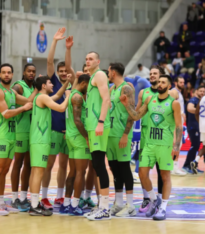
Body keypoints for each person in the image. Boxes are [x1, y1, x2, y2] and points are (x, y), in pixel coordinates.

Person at [120, 74, 183, 221]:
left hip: (165, 145)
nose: (159, 84)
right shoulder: (150, 99)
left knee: (165, 176)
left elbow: (179, 126)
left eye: (163, 82)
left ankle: (163, 208)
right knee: (142, 175)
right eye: (159, 82)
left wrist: (177, 146)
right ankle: (155, 200)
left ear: (169, 86)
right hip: (149, 144)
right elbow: (136, 116)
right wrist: (126, 105)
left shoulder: (174, 103)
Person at [0, 63, 35, 216]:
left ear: (12, 74)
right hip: (0, 135)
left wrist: (39, 88)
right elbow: (6, 113)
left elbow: (28, 101)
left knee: (5, 170)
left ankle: (1, 202)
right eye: (4, 72)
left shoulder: (11, 93)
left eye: (9, 72)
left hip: (11, 135)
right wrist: (22, 109)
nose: (6, 75)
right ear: (0, 75)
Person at [28, 75, 71, 216]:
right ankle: (34, 205)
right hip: (40, 139)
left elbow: (58, 95)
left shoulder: (42, 98)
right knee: (38, 172)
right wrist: (70, 95)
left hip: (38, 139)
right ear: (43, 86)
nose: (52, 84)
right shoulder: (42, 97)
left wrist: (67, 85)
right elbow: (61, 107)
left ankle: (34, 203)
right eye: (49, 83)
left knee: (36, 171)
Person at [42, 28, 72, 209]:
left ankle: (60, 196)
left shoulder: (74, 84)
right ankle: (44, 196)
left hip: (69, 132)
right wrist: (55, 41)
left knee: (64, 166)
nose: (62, 72)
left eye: (64, 70)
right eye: (60, 70)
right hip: (53, 131)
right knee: (49, 165)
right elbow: (49, 61)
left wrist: (69, 50)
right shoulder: (53, 83)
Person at [83, 51, 111, 221]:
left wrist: (100, 122)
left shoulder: (99, 74)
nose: (87, 61)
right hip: (93, 127)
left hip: (98, 126)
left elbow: (106, 99)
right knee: (96, 165)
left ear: (98, 61)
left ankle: (105, 208)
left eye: (91, 59)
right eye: (86, 59)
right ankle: (101, 205)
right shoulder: (93, 76)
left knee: (100, 165)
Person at [106, 63, 136, 217]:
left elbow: (133, 113)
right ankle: (118, 203)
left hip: (122, 134)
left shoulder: (127, 88)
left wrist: (125, 134)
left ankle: (130, 205)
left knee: (124, 169)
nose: (108, 72)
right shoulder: (112, 88)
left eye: (109, 70)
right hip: (110, 134)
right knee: (114, 169)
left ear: (114, 72)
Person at [59, 74, 91, 216]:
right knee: (80, 172)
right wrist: (87, 137)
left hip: (71, 137)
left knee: (72, 172)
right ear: (83, 83)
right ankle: (75, 204)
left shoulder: (72, 94)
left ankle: (66, 204)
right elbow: (78, 121)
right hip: (78, 138)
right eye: (89, 86)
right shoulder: (77, 97)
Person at [10, 64, 36, 212]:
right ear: (24, 72)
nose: (31, 74)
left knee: (29, 165)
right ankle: (14, 198)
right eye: (29, 71)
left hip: (32, 132)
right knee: (18, 163)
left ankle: (23, 197)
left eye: (33, 71)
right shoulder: (18, 86)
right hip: (20, 130)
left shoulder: (34, 88)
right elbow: (14, 98)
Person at [183, 86, 205, 173]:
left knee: (199, 145)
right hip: (193, 126)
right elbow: (189, 108)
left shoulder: (201, 101)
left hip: (199, 127)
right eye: (200, 91)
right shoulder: (193, 100)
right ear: (196, 92)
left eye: (203, 91)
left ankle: (193, 166)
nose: (202, 93)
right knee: (195, 145)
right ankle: (186, 165)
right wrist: (202, 111)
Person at [171, 77, 187, 175]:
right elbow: (171, 104)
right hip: (175, 123)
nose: (182, 83)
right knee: (176, 144)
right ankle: (174, 167)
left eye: (183, 82)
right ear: (175, 82)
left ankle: (174, 167)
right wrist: (181, 112)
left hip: (179, 122)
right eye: (180, 82)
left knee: (178, 145)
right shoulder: (174, 91)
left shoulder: (179, 93)